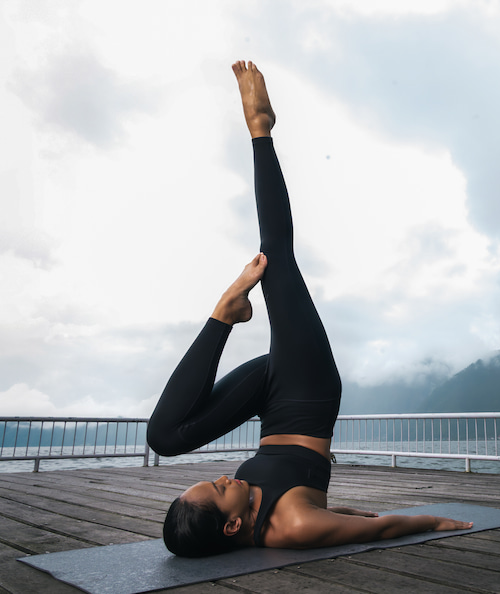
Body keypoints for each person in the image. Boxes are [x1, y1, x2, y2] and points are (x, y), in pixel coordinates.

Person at [146, 60, 472, 557]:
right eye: (218, 488)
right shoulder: (293, 527)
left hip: (269, 402)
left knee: (164, 438)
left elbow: (297, 493)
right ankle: (260, 128)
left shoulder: (251, 512)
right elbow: (382, 528)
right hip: (308, 394)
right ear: (232, 527)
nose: (222, 477)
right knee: (275, 257)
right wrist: (435, 521)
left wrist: (332, 510)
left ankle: (224, 318)